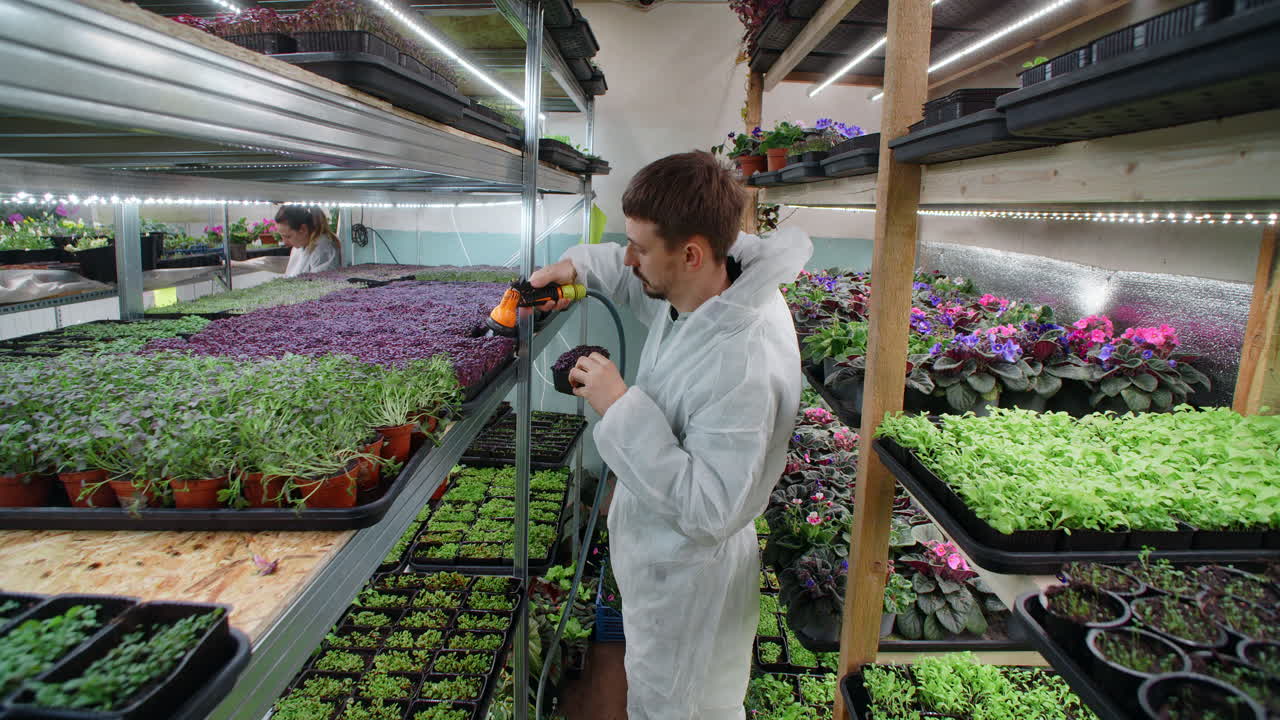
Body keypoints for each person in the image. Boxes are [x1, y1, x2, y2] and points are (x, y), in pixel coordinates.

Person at [529, 151, 812, 720]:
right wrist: (575, 269)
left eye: (640, 245)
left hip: (689, 579)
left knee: (674, 707)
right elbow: (637, 279)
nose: (628, 256)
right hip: (667, 560)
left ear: (690, 253)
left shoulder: (744, 358)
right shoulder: (708, 286)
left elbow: (709, 507)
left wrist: (619, 406)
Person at [276, 206, 341, 277]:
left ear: (303, 229)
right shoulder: (300, 246)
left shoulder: (323, 248)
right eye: (281, 236)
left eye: (288, 236)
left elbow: (319, 283)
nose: (284, 242)